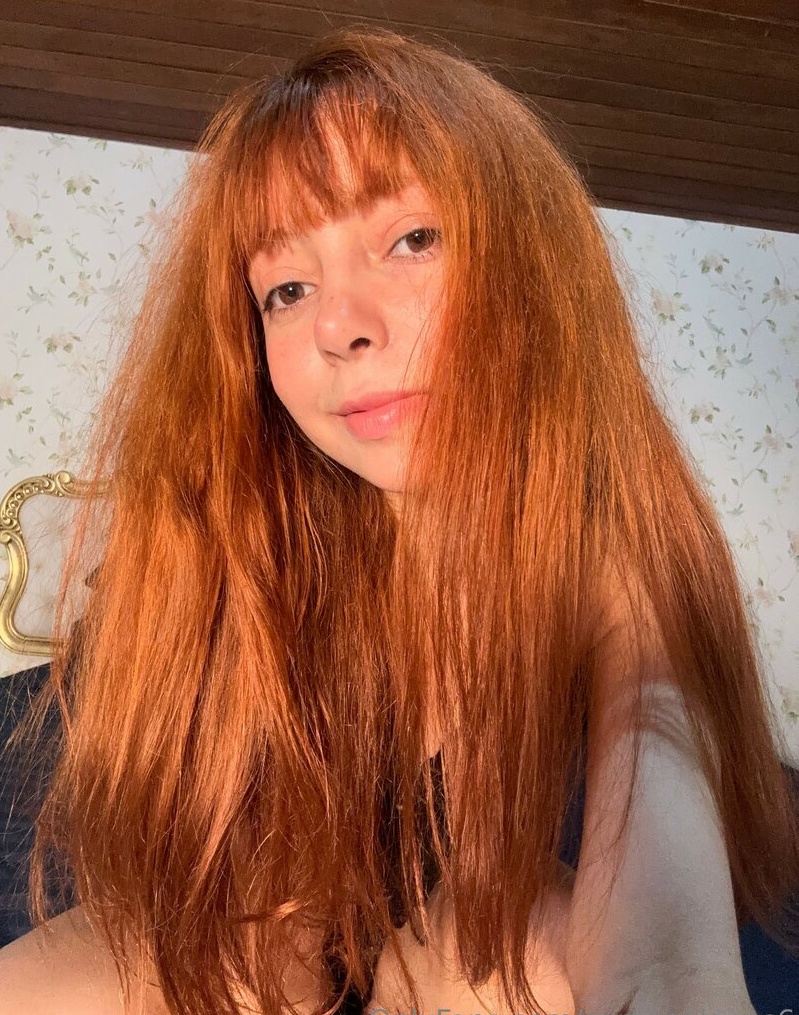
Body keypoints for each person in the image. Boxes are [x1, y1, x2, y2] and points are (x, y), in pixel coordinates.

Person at [1, 27, 797, 1015]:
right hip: (272, 940)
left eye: (411, 239)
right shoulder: (254, 548)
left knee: (482, 951)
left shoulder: (623, 569)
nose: (340, 326)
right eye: (286, 290)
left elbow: (665, 964)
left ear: (533, 268)